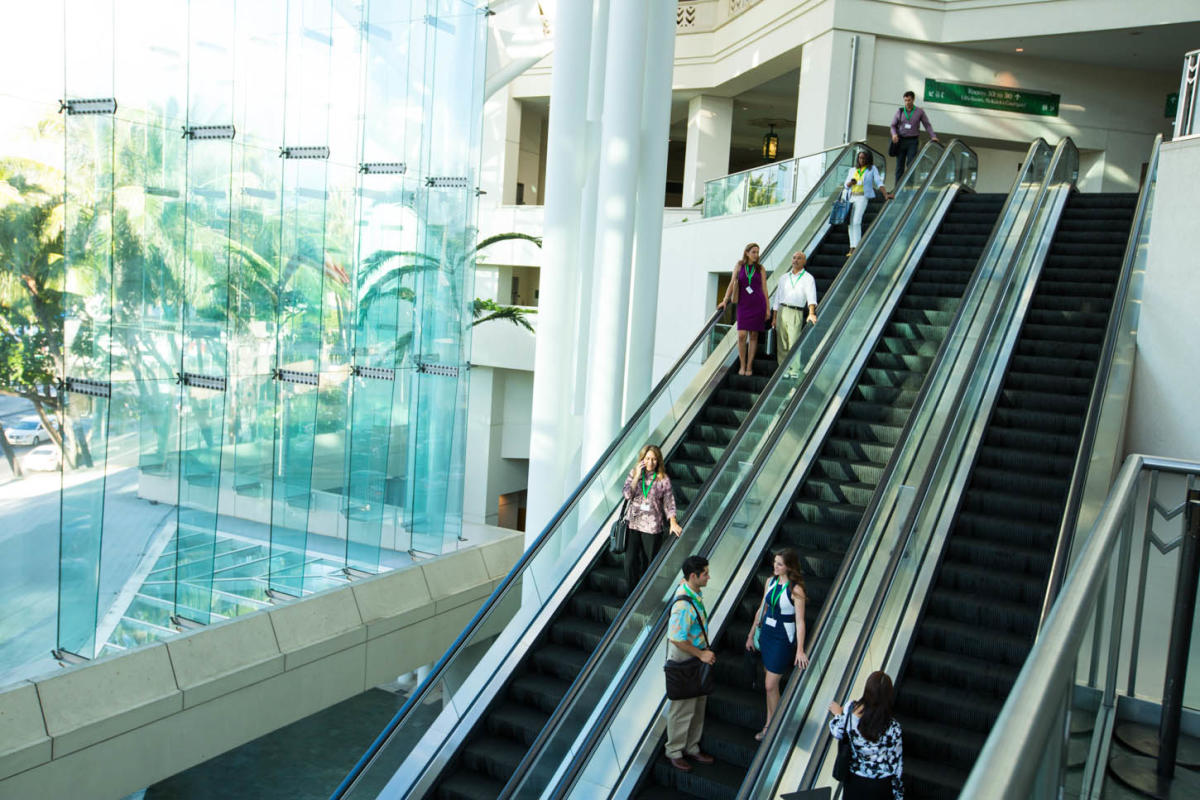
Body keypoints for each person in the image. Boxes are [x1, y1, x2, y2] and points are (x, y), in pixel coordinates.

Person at [746, 548, 808, 741]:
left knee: (770, 684)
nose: (775, 566)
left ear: (789, 566)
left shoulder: (796, 589)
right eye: (774, 562)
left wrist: (800, 649)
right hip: (767, 634)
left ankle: (777, 724)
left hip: (783, 637)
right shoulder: (770, 581)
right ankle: (769, 723)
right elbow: (762, 608)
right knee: (769, 686)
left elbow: (800, 621)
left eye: (779, 563)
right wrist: (751, 634)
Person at [665, 554, 715, 772]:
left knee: (697, 704)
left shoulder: (692, 591)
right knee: (683, 706)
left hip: (696, 656)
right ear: (693, 576)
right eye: (705, 574)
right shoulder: (683, 605)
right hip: (687, 658)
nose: (709, 577)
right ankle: (675, 750)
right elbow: (676, 637)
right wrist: (701, 654)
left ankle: (692, 747)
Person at [828, 671, 905, 800]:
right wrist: (898, 794)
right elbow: (896, 764)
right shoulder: (893, 728)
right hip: (880, 786)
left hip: (854, 782)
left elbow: (837, 731)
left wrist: (838, 714)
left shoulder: (850, 710)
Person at [622, 444, 683, 589]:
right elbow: (627, 494)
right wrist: (637, 476)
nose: (650, 462)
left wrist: (673, 522)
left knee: (648, 564)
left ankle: (643, 595)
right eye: (648, 458)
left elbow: (669, 501)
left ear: (659, 461)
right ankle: (631, 595)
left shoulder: (662, 478)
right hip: (634, 524)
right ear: (642, 459)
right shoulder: (634, 473)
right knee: (630, 562)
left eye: (654, 459)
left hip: (652, 527)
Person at [718, 242, 771, 376]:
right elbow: (732, 283)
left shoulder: (761, 269)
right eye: (753, 252)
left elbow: (764, 289)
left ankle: (749, 366)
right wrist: (725, 300)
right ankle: (742, 365)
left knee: (753, 335)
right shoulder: (739, 265)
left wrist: (767, 309)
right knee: (741, 335)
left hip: (758, 304)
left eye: (757, 252)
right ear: (747, 253)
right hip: (743, 305)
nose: (756, 255)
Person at [844, 150, 889, 256]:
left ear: (868, 159)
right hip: (852, 197)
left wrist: (885, 194)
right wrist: (851, 183)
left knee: (856, 221)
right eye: (860, 158)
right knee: (850, 223)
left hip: (862, 197)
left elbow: (878, 182)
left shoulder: (872, 169)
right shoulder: (853, 170)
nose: (861, 160)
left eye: (864, 158)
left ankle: (857, 246)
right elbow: (846, 185)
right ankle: (852, 247)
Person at [889, 90, 938, 190]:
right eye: (905, 100)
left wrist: (933, 136)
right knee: (899, 166)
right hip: (901, 140)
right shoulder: (900, 111)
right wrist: (894, 135)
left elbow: (927, 125)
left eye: (909, 100)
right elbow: (893, 125)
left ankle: (908, 187)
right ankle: (897, 188)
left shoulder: (919, 112)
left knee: (911, 164)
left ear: (913, 100)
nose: (907, 102)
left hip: (912, 141)